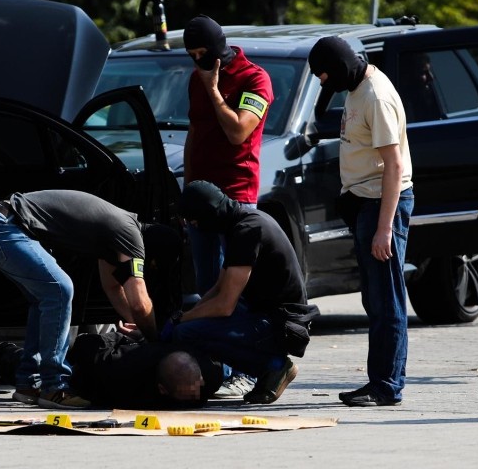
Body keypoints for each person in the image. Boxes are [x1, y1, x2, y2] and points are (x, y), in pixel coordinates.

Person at [0, 190, 166, 409]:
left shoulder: (115, 232)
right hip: (3, 223)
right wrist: (156, 339)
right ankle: (54, 387)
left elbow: (112, 288)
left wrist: (137, 325)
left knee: (42, 298)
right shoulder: (131, 234)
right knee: (60, 290)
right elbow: (139, 302)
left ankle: (27, 383)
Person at [307, 36, 414, 407]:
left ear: (338, 68)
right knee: (374, 299)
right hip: (363, 203)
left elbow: (395, 166)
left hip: (381, 205)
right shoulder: (355, 87)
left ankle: (387, 386)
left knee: (387, 300)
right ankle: (378, 380)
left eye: (324, 77)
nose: (324, 84)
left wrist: (385, 228)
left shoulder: (376, 96)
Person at [182, 14, 273, 398]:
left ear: (218, 50)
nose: (198, 62)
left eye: (203, 54)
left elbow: (238, 130)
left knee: (232, 286)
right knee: (206, 286)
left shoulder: (255, 79)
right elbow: (195, 131)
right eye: (192, 56)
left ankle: (247, 369)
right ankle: (217, 365)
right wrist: (187, 188)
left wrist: (215, 89)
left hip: (235, 194)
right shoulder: (195, 78)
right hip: (200, 198)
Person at [164, 180, 319, 405]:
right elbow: (218, 288)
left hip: (281, 324)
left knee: (187, 333)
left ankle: (274, 367)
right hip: (268, 315)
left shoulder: (248, 230)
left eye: (194, 221)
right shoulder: (240, 223)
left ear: (208, 212)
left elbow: (224, 305)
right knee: (189, 326)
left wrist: (180, 321)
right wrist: (184, 315)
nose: (194, 227)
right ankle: (266, 367)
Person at [0, 332, 224, 409]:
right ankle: (5, 355)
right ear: (160, 388)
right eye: (187, 394)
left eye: (197, 389)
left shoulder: (209, 375)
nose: (197, 396)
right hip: (98, 357)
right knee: (61, 373)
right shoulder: (119, 375)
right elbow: (88, 347)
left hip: (140, 353)